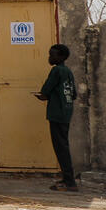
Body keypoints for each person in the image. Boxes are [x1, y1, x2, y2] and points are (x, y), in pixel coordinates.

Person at [35, 43, 79, 191]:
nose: (50, 57)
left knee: (60, 147)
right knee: (63, 145)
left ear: (60, 56)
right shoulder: (68, 72)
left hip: (56, 113)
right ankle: (67, 178)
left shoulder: (56, 71)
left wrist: (43, 96)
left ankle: (69, 181)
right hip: (66, 111)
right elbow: (73, 94)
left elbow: (45, 90)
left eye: (52, 54)